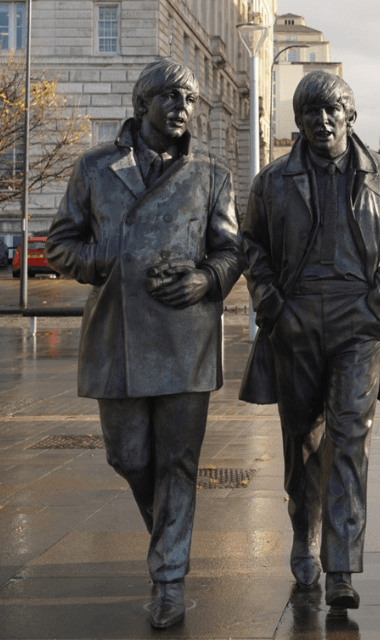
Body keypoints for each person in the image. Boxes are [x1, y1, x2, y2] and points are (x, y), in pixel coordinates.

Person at [45, 58, 244, 630]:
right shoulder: (95, 168)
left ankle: (168, 578)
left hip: (186, 337)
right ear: (142, 106)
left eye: (190, 101)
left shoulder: (211, 175)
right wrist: (106, 259)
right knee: (128, 456)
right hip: (118, 336)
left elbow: (231, 252)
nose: (183, 109)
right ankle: (169, 538)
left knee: (179, 463)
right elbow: (60, 244)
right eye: (172, 98)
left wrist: (206, 280)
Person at [239, 70, 380, 609]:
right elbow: (253, 250)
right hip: (294, 322)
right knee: (303, 443)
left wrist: (374, 310)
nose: (321, 120)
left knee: (348, 440)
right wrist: (274, 310)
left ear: (350, 116)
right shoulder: (271, 181)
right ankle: (304, 535)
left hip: (358, 325)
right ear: (299, 122)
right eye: (310, 112)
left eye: (331, 110)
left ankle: (341, 565)